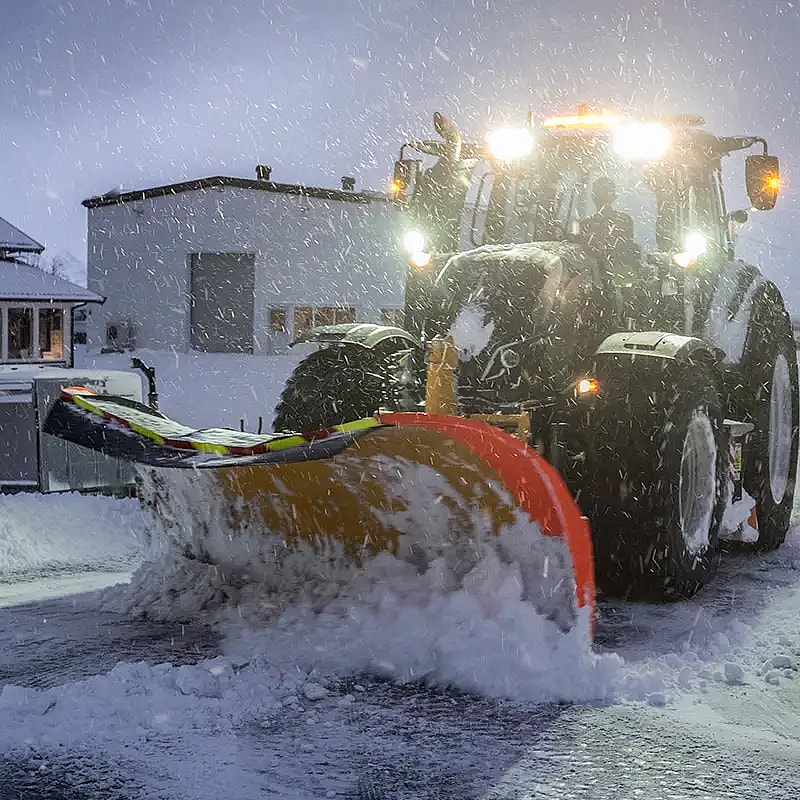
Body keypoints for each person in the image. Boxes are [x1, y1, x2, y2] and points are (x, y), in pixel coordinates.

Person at [579, 176, 637, 260]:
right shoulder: (584, 225)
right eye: (600, 194)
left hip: (615, 271)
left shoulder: (624, 221)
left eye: (605, 193)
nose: (602, 198)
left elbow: (623, 253)